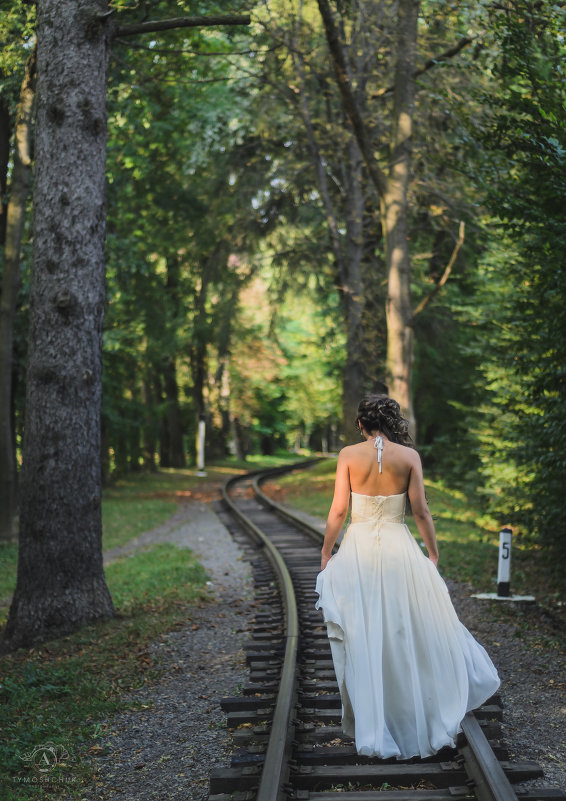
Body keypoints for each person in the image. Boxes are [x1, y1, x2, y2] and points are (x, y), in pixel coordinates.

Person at [315, 394, 500, 759]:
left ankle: (376, 717)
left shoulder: (348, 456)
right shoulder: (410, 457)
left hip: (359, 550)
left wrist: (326, 552)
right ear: (393, 422)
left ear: (361, 424)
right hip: (400, 548)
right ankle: (414, 709)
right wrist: (432, 552)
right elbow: (421, 511)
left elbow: (339, 511)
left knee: (366, 630)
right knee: (405, 628)